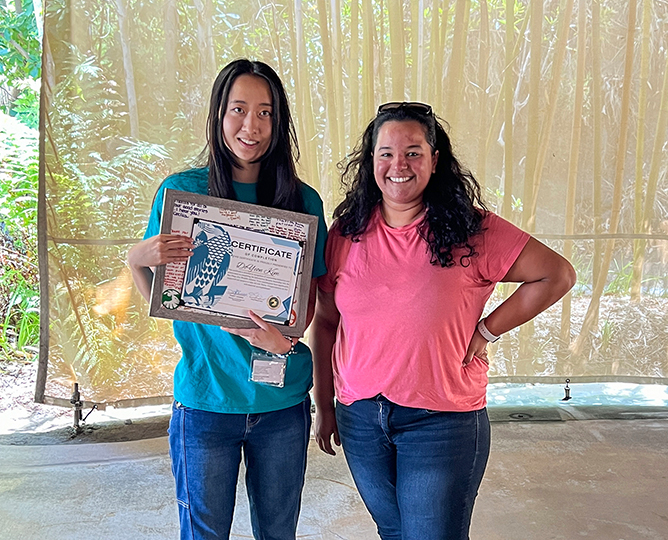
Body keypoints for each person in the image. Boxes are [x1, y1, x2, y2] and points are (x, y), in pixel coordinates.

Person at [311, 102, 576, 540]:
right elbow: (325, 322)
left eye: (413, 152)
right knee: (394, 532)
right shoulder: (346, 232)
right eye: (386, 153)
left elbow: (557, 274)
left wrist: (487, 330)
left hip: (441, 420)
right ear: (370, 161)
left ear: (435, 160)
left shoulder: (472, 230)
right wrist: (324, 404)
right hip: (360, 417)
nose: (399, 165)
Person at [127, 59, 328, 540]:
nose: (251, 126)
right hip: (205, 399)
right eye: (239, 109)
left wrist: (283, 338)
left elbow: (306, 313)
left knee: (278, 532)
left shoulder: (304, 202)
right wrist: (137, 260)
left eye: (266, 113)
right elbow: (169, 300)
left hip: (281, 402)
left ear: (279, 124)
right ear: (219, 113)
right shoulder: (182, 192)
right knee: (203, 533)